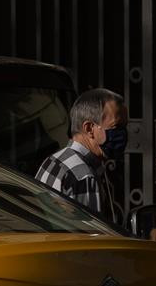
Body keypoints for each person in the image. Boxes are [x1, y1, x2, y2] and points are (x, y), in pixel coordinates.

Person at [35, 87, 127, 226]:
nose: (123, 133)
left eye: (124, 126)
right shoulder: (83, 177)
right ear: (89, 128)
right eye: (116, 127)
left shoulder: (54, 160)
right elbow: (88, 239)